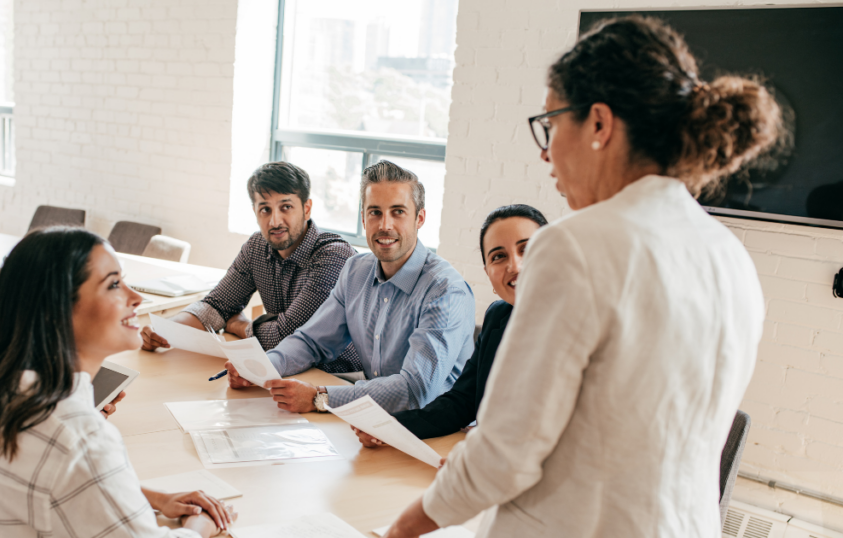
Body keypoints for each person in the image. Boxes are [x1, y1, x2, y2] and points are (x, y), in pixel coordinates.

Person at [383, 16, 783, 538]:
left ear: (598, 123)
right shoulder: (731, 258)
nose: (546, 152)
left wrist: (399, 531)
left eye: (551, 124)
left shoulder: (574, 246)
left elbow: (506, 453)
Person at [0, 228, 235, 538]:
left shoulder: (13, 390)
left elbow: (62, 486)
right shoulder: (78, 436)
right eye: (113, 285)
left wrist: (153, 498)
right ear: (57, 310)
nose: (136, 297)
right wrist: (200, 526)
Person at [227, 160, 476, 414]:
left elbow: (416, 390)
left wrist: (320, 398)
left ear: (419, 218)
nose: (384, 225)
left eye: (398, 212)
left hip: (438, 432)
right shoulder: (356, 270)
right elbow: (312, 341)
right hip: (375, 422)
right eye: (375, 212)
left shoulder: (445, 290)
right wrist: (260, 367)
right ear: (363, 218)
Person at [140, 162, 362, 373]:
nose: (275, 221)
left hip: (340, 376)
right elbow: (216, 305)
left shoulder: (333, 256)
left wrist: (241, 325)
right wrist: (166, 330)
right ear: (255, 211)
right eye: (265, 209)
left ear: (307, 208)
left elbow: (288, 337)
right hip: (285, 369)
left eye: (286, 207)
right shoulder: (257, 247)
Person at [353, 205, 547, 446]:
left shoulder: (586, 322)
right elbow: (461, 402)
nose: (515, 266)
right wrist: (392, 427)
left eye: (526, 249)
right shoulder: (499, 316)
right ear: (488, 273)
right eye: (498, 256)